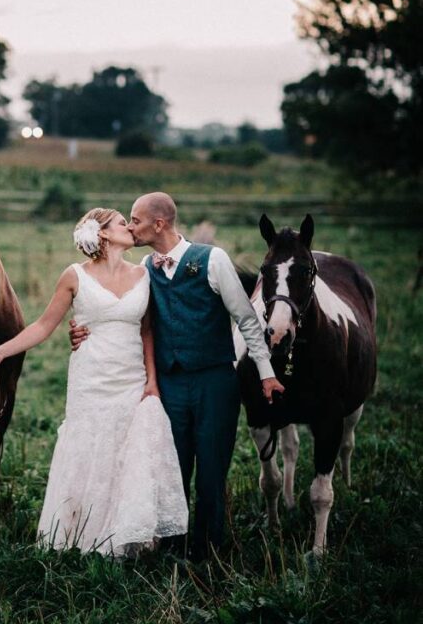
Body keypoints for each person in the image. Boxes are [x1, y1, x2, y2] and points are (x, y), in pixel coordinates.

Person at [70, 193, 284, 562]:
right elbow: (124, 316)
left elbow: (247, 320)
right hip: (168, 384)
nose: (130, 226)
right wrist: (80, 331)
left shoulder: (212, 260)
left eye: (135, 220)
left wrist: (266, 373)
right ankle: (172, 547)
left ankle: (209, 552)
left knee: (212, 472)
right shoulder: (144, 270)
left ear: (159, 224)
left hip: (215, 381)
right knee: (171, 468)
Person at [0, 207, 188, 556]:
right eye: (123, 223)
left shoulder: (144, 273)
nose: (130, 228)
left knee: (129, 452)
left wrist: (152, 380)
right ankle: (85, 535)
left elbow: (148, 330)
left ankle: (127, 535)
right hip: (91, 377)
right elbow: (43, 326)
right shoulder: (74, 276)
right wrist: (1, 351)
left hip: (132, 377)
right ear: (102, 233)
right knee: (90, 449)